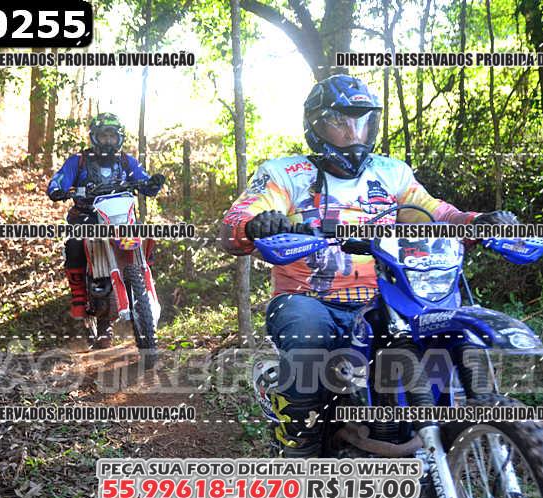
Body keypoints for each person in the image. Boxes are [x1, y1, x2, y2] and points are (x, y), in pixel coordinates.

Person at [220, 75, 518, 463]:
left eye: (363, 122)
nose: (353, 133)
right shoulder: (285, 173)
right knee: (309, 340)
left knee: (445, 334)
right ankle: (300, 452)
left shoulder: (392, 173)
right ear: (315, 125)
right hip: (310, 299)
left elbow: (434, 213)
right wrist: (258, 224)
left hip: (388, 296)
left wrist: (477, 222)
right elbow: (238, 219)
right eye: (340, 122)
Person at [47, 113, 165, 347]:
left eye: (112, 136)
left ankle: (143, 275)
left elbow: (144, 181)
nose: (108, 141)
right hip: (87, 216)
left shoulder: (126, 161)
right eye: (104, 136)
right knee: (74, 244)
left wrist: (152, 183)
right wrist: (58, 189)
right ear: (94, 137)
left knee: (146, 237)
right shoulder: (79, 161)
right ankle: (79, 297)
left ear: (119, 138)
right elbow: (59, 180)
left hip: (121, 215)